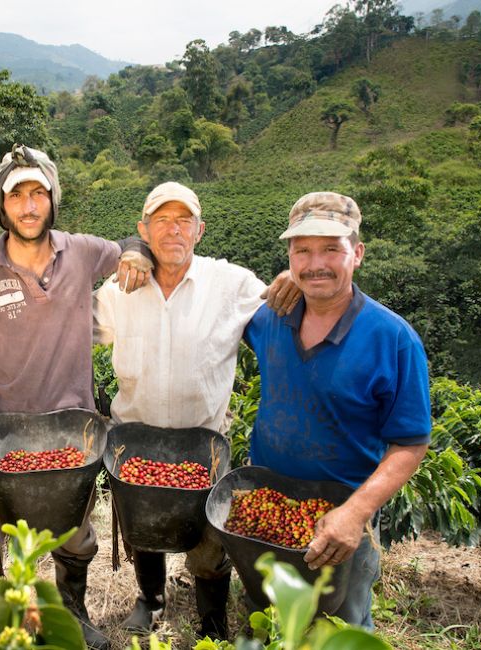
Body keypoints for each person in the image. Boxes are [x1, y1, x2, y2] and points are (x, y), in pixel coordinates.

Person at [0, 144, 153, 650]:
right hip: (1, 443)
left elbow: (128, 247)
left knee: (76, 539)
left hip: (71, 441)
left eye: (38, 194)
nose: (28, 207)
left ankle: (74, 612)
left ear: (53, 199)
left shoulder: (83, 252)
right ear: (0, 206)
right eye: (16, 197)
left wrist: (138, 251)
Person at [92, 181, 295, 641]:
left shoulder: (232, 284)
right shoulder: (119, 290)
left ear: (200, 231)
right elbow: (76, 333)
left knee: (208, 544)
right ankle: (150, 598)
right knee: (144, 529)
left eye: (183, 220)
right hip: (137, 444)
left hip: (201, 446)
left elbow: (282, 312)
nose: (173, 231)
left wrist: (292, 281)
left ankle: (211, 619)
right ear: (143, 230)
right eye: (161, 220)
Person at [243, 191, 431, 628]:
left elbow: (410, 443)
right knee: (267, 618)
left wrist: (355, 513)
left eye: (332, 248)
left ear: (358, 253)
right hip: (268, 506)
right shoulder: (268, 319)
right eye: (302, 251)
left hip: (343, 514)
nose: (316, 263)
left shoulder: (393, 339)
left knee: (338, 627)